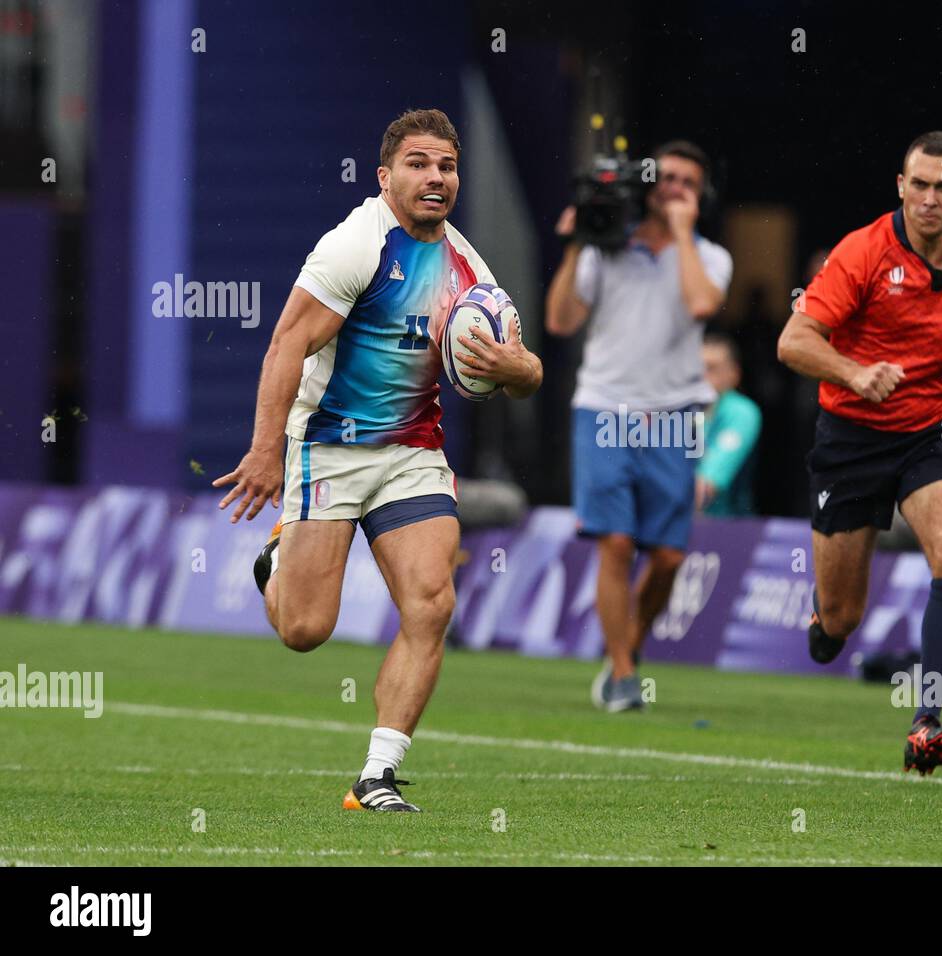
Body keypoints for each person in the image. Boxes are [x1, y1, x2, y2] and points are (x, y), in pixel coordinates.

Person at [212, 109, 543, 812]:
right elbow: (285, 346)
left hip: (412, 453)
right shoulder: (353, 245)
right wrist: (265, 452)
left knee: (431, 602)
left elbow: (523, 369)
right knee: (304, 630)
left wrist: (518, 367)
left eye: (447, 166)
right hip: (330, 445)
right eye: (419, 164)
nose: (436, 178)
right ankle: (278, 560)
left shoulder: (468, 269)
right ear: (385, 176)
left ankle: (377, 776)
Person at [777, 131, 942, 775]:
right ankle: (828, 622)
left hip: (930, 431)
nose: (929, 198)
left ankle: (927, 719)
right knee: (842, 622)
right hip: (849, 438)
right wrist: (853, 372)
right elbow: (794, 341)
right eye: (918, 185)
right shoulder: (861, 253)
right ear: (901, 186)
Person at [545, 140, 732, 712]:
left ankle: (628, 647)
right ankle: (623, 675)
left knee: (670, 556)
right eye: (666, 178)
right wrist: (577, 243)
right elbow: (559, 320)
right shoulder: (608, 248)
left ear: (701, 197)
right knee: (616, 543)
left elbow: (701, 304)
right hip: (605, 407)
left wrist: (681, 233)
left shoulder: (710, 255)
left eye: (687, 183)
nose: (674, 189)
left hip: (675, 414)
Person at [696, 332, 762, 516]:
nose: (701, 375)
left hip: (729, 532)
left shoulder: (742, 411)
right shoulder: (680, 410)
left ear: (734, 374)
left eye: (711, 368)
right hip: (678, 529)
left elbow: (704, 489)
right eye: (696, 367)